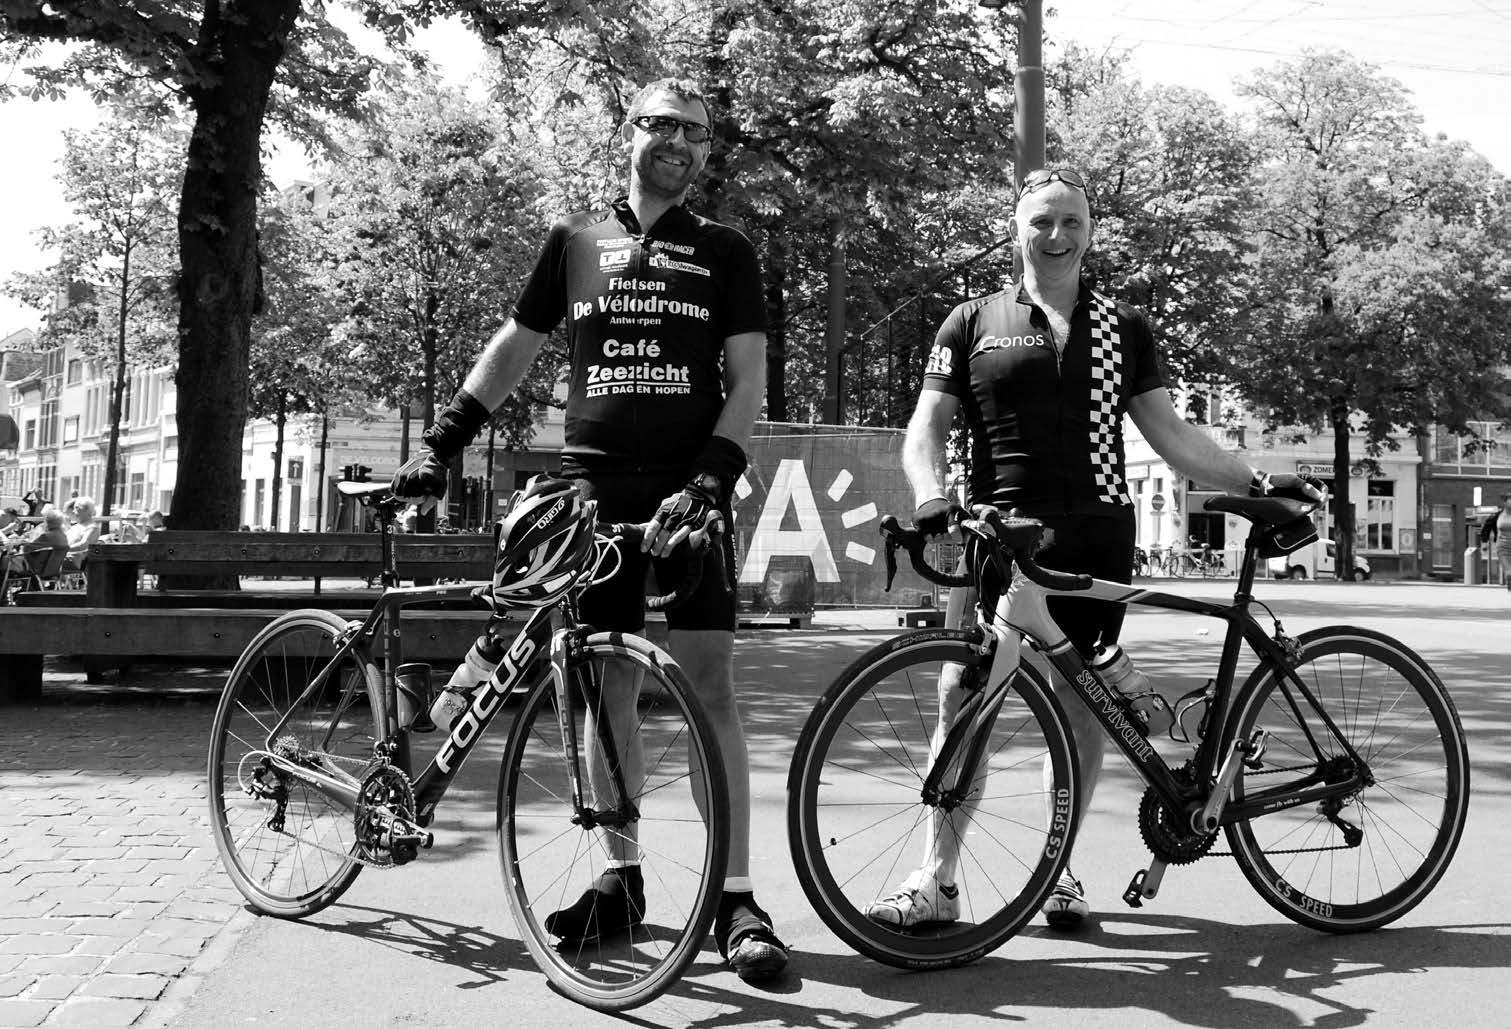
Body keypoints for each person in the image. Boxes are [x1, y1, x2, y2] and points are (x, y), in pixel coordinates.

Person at [391, 78, 786, 980]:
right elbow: (516, 342)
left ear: (705, 150)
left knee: (710, 689)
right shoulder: (573, 240)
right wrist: (444, 439)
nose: (677, 141)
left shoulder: (725, 250)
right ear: (629, 132)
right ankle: (622, 877)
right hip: (592, 487)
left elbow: (747, 380)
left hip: (688, 489)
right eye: (661, 124)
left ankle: (735, 897)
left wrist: (712, 477)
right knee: (604, 686)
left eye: (695, 132)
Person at [882, 166, 1323, 932]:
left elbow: (1170, 435)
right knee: (962, 695)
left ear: (1090, 232)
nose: (1055, 236)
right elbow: (925, 425)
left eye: (1071, 222)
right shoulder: (970, 320)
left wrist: (1256, 478)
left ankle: (1057, 868)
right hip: (1001, 534)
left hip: (1097, 533)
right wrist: (928, 497)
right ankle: (937, 879)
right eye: (1040, 221)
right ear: (1015, 227)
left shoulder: (1125, 326)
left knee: (1081, 704)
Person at [1479, 492, 1511, 590]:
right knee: (1509, 571)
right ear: (1505, 502)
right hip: (1503, 547)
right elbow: (1486, 528)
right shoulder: (1497, 515)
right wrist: (1484, 542)